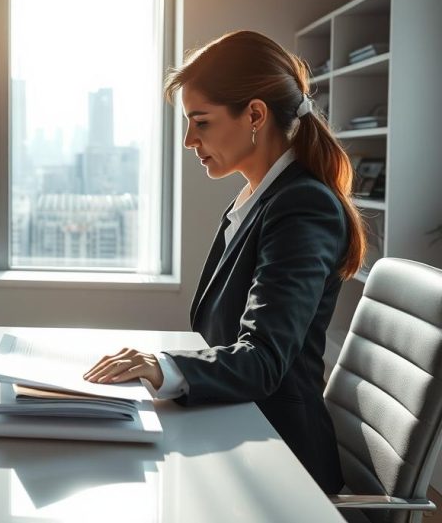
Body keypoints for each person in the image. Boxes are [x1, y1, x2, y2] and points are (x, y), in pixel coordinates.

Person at [84, 30, 366, 493]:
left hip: (281, 465)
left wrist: (162, 366)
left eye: (202, 122)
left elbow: (263, 359)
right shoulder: (260, 196)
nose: (189, 140)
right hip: (240, 430)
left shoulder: (302, 207)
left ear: (254, 114)